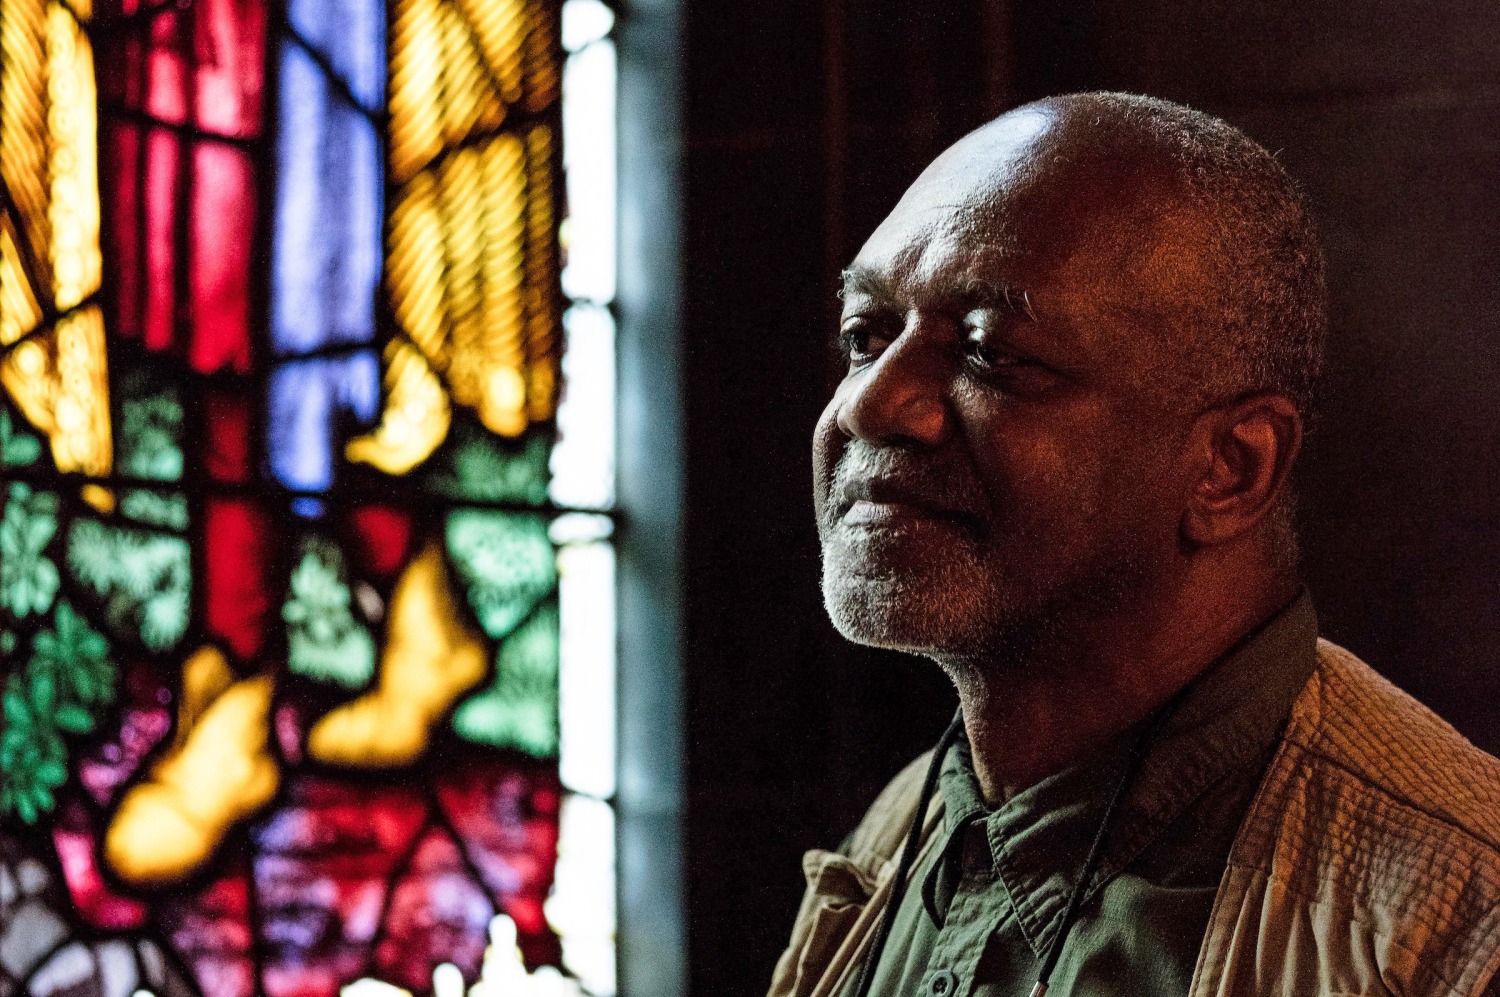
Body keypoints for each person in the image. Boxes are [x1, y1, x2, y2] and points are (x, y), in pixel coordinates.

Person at [769, 93, 1500, 997]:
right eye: (863, 337)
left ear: (1230, 469)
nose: (870, 405)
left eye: (993, 352)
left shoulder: (1448, 933)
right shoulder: (899, 835)